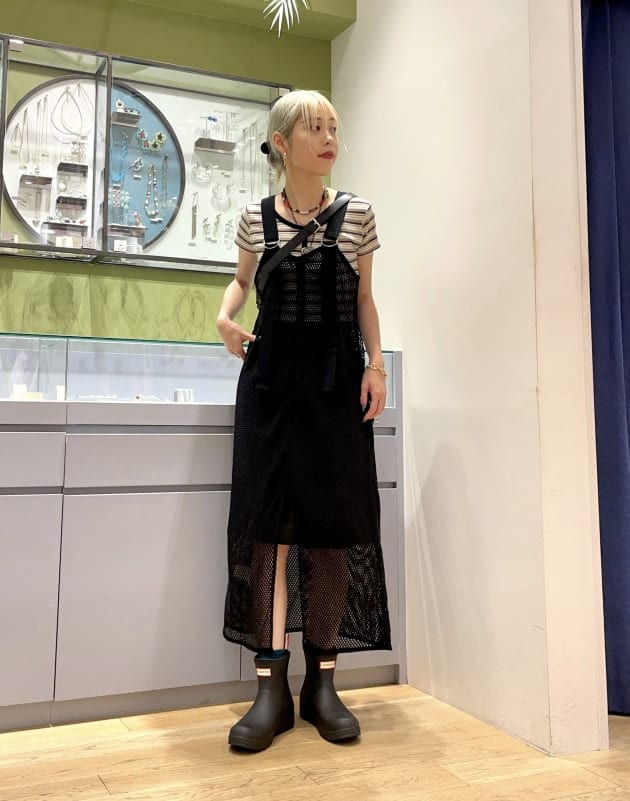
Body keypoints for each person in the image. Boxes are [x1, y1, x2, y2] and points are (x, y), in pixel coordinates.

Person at [217, 89, 391, 752]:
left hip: (336, 388)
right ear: (282, 143)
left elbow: (366, 297)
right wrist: (224, 316)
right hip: (270, 390)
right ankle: (270, 690)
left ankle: (322, 685)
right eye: (314, 128)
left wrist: (376, 365)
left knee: (332, 532)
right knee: (270, 534)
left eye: (334, 127)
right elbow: (242, 282)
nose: (329, 138)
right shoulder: (254, 218)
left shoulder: (357, 215)